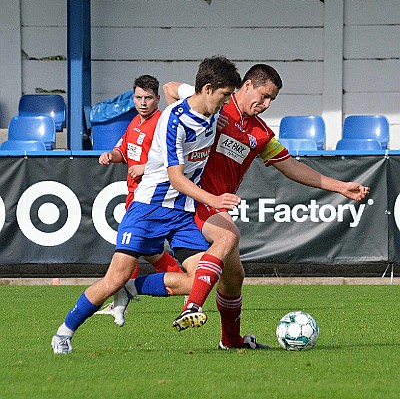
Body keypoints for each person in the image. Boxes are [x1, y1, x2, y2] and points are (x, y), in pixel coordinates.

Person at [114, 64, 370, 350]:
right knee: (227, 237)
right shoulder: (217, 106)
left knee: (233, 278)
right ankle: (192, 307)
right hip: (194, 199)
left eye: (272, 100)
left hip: (216, 204)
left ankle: (227, 339)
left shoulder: (261, 134)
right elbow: (171, 89)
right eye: (264, 96)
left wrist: (339, 186)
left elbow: (291, 167)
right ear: (246, 86)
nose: (266, 104)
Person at [51, 55, 242, 354]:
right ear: (207, 88)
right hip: (149, 208)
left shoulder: (202, 100)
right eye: (225, 95)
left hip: (182, 213)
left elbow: (169, 87)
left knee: (201, 279)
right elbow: (177, 179)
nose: (227, 102)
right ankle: (64, 332)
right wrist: (214, 200)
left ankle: (133, 288)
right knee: (113, 279)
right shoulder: (175, 122)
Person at [97, 75, 182, 317]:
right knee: (147, 250)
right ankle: (186, 280)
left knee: (128, 246)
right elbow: (124, 150)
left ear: (157, 98)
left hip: (151, 196)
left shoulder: (163, 123)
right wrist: (111, 156)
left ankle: (119, 297)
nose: (142, 102)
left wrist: (146, 167)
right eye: (138, 97)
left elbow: (175, 156)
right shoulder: (135, 121)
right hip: (134, 194)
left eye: (148, 98)